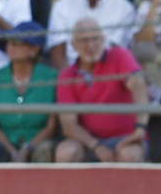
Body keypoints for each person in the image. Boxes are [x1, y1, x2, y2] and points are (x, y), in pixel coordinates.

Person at [55, 16, 148, 161]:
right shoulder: (67, 75)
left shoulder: (119, 56)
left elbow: (138, 85)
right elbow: (68, 124)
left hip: (126, 139)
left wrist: (140, 128)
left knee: (130, 154)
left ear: (104, 40)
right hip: (88, 143)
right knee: (66, 151)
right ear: (73, 45)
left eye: (95, 38)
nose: (91, 45)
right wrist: (96, 146)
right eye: (84, 40)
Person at [0, 19, 58, 161]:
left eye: (18, 42)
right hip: (4, 144)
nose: (10, 46)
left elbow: (51, 126)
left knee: (44, 151)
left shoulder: (50, 77)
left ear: (34, 49)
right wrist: (12, 151)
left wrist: (26, 149)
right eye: (9, 41)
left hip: (38, 144)